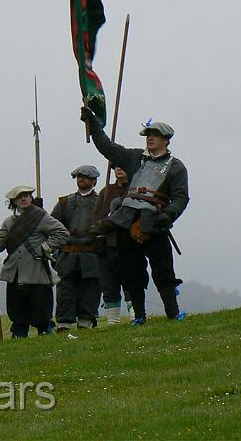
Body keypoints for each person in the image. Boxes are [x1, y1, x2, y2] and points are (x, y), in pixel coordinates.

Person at [83, 109, 190, 324]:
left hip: (156, 221)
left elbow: (180, 197)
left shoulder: (176, 167)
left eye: (155, 135)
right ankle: (139, 317)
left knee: (163, 270)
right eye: (148, 135)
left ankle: (172, 313)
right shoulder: (133, 158)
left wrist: (168, 216)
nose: (150, 138)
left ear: (166, 140)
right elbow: (107, 147)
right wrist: (93, 124)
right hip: (126, 220)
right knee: (131, 270)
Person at [0, 186, 69, 338]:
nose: (23, 199)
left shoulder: (41, 217)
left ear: (31, 198)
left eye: (26, 195)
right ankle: (19, 335)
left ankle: (46, 333)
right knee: (17, 310)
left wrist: (46, 247)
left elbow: (62, 234)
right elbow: (0, 245)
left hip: (37, 271)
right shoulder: (9, 222)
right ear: (14, 201)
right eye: (19, 196)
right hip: (15, 272)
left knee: (41, 308)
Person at [51, 165, 102, 331]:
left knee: (90, 289)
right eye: (79, 176)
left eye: (86, 177)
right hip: (68, 254)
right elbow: (52, 225)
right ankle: (64, 323)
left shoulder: (102, 201)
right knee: (65, 290)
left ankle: (85, 322)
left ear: (94, 181)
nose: (82, 179)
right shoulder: (64, 202)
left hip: (91, 254)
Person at [91, 167, 136, 324]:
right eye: (116, 166)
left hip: (128, 241)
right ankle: (113, 319)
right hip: (107, 243)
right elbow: (97, 216)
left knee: (130, 279)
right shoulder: (106, 191)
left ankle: (135, 313)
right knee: (108, 283)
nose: (118, 169)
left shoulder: (135, 188)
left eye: (122, 166)